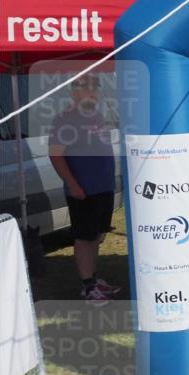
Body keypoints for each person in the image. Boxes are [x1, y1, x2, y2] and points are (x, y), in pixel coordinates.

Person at [49, 74, 121, 306]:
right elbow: (56, 155)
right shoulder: (65, 119)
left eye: (95, 89)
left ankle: (94, 280)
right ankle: (87, 286)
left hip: (104, 187)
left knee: (97, 236)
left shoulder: (97, 116)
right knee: (83, 238)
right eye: (87, 89)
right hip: (83, 190)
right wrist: (72, 183)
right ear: (74, 92)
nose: (93, 93)